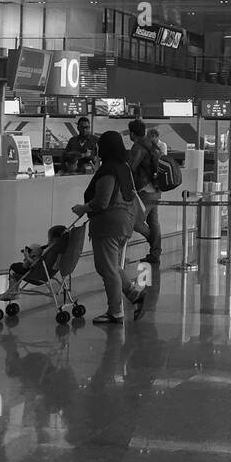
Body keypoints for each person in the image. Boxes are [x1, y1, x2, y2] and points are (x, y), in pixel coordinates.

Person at [71, 131, 144, 326]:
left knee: (107, 268)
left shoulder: (109, 170)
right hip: (124, 222)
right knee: (111, 266)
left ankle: (115, 311)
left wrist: (82, 208)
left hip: (108, 224)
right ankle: (134, 294)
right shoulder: (124, 167)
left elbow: (102, 201)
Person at [126, 118, 162, 265]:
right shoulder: (152, 145)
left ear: (133, 133)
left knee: (134, 222)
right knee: (153, 222)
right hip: (156, 189)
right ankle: (155, 253)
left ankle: (154, 245)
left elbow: (130, 168)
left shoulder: (138, 146)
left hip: (145, 190)